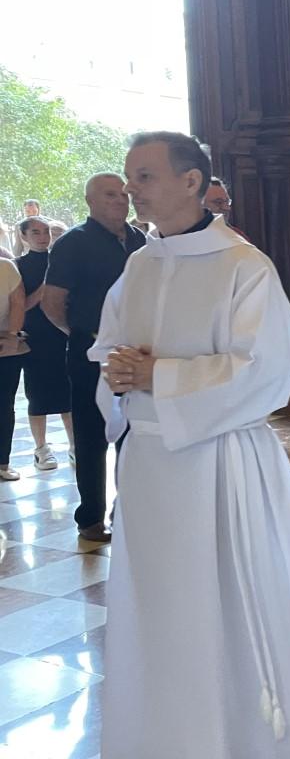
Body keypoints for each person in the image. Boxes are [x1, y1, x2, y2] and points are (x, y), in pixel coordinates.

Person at [89, 131, 290, 758]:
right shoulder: (139, 265)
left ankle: (249, 734)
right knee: (159, 601)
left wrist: (160, 376)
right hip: (149, 464)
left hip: (221, 462)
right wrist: (118, 373)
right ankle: (165, 733)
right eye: (128, 177)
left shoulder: (244, 266)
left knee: (226, 598)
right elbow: (109, 347)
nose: (131, 188)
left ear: (191, 181)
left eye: (144, 176)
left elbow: (268, 369)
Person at [42, 173, 147, 541]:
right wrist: (88, 337)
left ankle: (127, 509)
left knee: (134, 434)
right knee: (91, 436)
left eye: (123, 194)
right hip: (89, 353)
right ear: (89, 201)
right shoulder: (73, 243)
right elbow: (52, 303)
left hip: (135, 355)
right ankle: (90, 518)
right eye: (109, 195)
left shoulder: (140, 241)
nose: (120, 200)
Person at [16, 217, 71, 471]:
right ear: (24, 237)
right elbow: (21, 306)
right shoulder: (18, 266)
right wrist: (44, 289)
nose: (42, 237)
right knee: (37, 394)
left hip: (62, 334)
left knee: (68, 392)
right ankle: (41, 449)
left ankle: (75, 446)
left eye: (46, 231)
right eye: (35, 232)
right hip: (35, 337)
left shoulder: (60, 261)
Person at [0, 256, 26, 480]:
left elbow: (18, 302)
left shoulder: (6, 266)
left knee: (4, 405)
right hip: (5, 344)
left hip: (4, 346)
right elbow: (18, 302)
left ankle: (2, 463)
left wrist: (11, 337)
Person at [204, 176, 250, 241]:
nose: (227, 208)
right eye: (219, 202)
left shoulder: (239, 236)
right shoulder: (191, 238)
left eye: (227, 202)